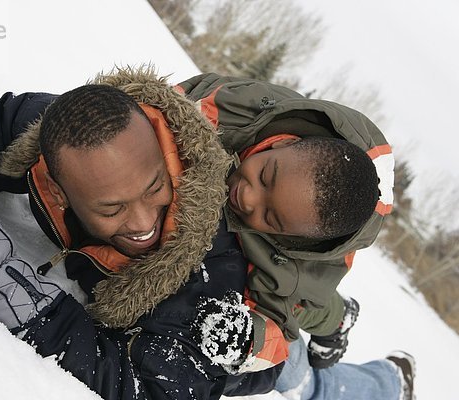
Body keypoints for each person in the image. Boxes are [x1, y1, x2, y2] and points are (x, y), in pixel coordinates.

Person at [0, 68, 282, 400]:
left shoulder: (209, 262)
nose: (142, 222)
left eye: (155, 186)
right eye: (112, 208)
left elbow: (158, 390)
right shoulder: (62, 132)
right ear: (56, 190)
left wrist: (4, 280)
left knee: (289, 370)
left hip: (250, 360)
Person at [177, 73, 415, 399]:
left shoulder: (292, 266)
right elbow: (168, 106)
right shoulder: (243, 110)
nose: (246, 198)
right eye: (265, 175)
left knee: (297, 372)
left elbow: (275, 330)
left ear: (292, 239)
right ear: (284, 142)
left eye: (270, 217)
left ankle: (363, 354)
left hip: (297, 279)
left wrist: (247, 339)